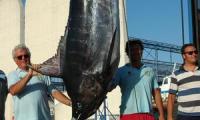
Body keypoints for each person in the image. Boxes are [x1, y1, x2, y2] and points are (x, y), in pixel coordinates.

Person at [7, 44, 72, 120]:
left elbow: (54, 92)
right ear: (15, 60)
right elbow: (13, 91)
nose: (23, 58)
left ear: (29, 56)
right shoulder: (13, 75)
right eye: (20, 57)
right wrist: (29, 75)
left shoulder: (40, 72)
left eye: (26, 56)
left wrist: (71, 103)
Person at [109, 40, 164, 120]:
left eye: (138, 49)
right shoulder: (120, 71)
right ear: (127, 53)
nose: (135, 52)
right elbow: (109, 87)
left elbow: (156, 94)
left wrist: (161, 115)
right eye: (132, 50)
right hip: (127, 114)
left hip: (148, 115)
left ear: (142, 51)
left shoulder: (149, 70)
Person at [167, 43, 200, 120]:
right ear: (183, 56)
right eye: (190, 53)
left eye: (195, 52)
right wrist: (169, 117)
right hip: (184, 116)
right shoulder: (176, 75)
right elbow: (171, 97)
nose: (194, 54)